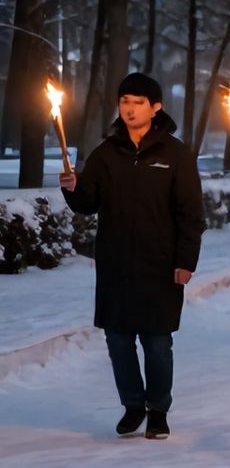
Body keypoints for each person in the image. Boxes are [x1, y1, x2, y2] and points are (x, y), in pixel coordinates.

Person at [61, 72, 205, 441]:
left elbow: (191, 213)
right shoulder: (106, 153)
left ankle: (158, 410)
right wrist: (73, 189)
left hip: (160, 264)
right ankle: (132, 405)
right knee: (118, 341)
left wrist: (185, 261)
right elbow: (88, 204)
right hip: (117, 265)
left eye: (138, 102)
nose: (129, 108)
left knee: (157, 343)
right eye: (125, 101)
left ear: (155, 107)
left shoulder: (175, 154)